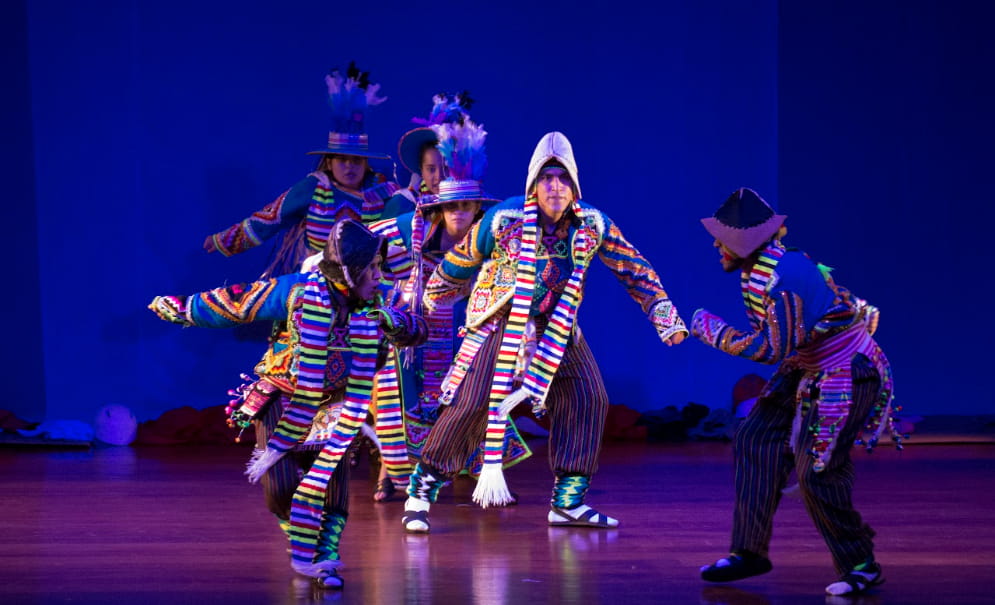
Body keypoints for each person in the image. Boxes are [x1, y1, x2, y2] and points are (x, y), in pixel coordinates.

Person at [401, 131, 688, 533]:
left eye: (563, 179)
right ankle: (420, 491)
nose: (555, 187)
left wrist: (664, 315)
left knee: (589, 397)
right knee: (470, 406)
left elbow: (633, 267)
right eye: (546, 178)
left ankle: (568, 501)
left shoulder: (592, 224)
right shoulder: (505, 219)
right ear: (533, 185)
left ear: (574, 185)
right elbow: (463, 257)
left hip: (557, 327)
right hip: (502, 321)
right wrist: (434, 295)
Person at [149, 219, 427, 589]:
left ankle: (326, 559)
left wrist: (395, 324)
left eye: (380, 267)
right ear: (350, 270)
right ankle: (304, 545)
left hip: (338, 408)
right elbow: (238, 302)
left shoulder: (376, 304)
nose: (380, 275)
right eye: (372, 268)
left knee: (333, 487)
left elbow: (417, 330)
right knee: (279, 488)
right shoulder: (297, 292)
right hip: (285, 397)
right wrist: (183, 309)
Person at [690, 188, 897, 597]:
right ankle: (749, 551)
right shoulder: (765, 267)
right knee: (755, 437)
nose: (716, 244)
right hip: (808, 363)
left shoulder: (784, 280)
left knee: (816, 469)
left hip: (846, 373)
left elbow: (769, 349)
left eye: (724, 238)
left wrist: (709, 328)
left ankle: (861, 563)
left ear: (746, 243)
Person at [368, 114, 529, 502]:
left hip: (466, 326)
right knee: (398, 395)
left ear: (477, 207)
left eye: (466, 205)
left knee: (474, 395)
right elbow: (360, 249)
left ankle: (473, 469)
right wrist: (396, 293)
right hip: (413, 330)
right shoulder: (408, 225)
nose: (458, 212)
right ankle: (392, 470)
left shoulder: (493, 231)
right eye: (450, 205)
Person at [203, 62, 409, 277]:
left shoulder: (383, 190)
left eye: (356, 161)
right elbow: (270, 218)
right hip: (319, 278)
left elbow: (404, 223)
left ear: (366, 163)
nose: (349, 166)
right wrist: (224, 239)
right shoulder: (315, 188)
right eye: (341, 160)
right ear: (329, 162)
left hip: (369, 279)